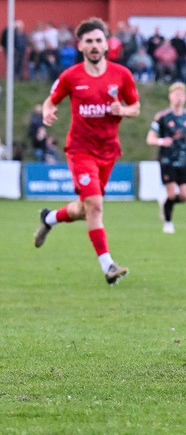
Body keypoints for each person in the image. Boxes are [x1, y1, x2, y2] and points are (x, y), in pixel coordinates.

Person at [32, 17, 140, 285]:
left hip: (108, 151)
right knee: (95, 205)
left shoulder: (121, 74)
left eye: (98, 40)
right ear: (80, 45)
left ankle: (49, 218)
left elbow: (135, 108)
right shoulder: (71, 76)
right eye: (88, 41)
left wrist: (122, 110)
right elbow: (50, 101)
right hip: (80, 150)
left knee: (85, 208)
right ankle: (108, 266)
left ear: (106, 44)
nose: (94, 45)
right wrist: (47, 111)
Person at [146, 82, 186, 234]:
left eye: (181, 94)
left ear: (185, 97)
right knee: (171, 193)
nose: (179, 97)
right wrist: (161, 141)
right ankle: (168, 223)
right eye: (176, 94)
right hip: (166, 160)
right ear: (170, 97)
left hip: (183, 159)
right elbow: (150, 138)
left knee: (185, 196)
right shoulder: (162, 117)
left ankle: (165, 203)